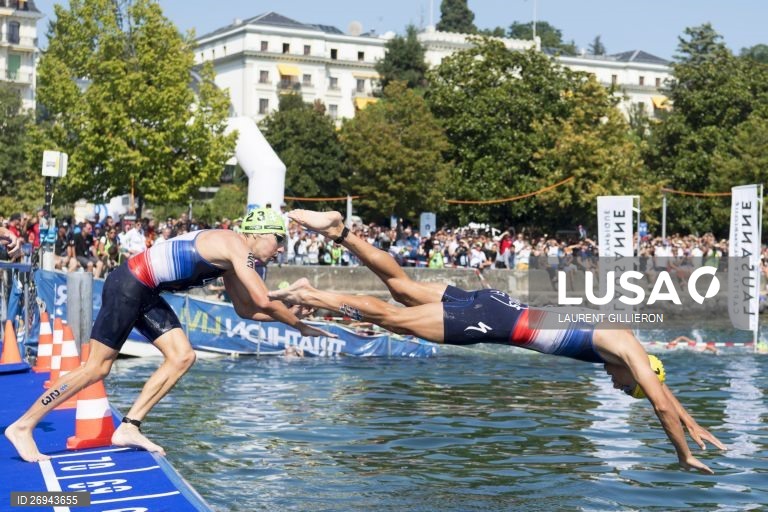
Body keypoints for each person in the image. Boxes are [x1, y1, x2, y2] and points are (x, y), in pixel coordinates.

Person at [270, 210, 726, 474]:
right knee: (396, 319)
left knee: (403, 288)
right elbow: (659, 404)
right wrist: (683, 453)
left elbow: (663, 395)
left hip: (500, 304)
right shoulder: (623, 348)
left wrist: (693, 423)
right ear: (639, 372)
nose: (616, 386)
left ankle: (339, 231)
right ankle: (309, 294)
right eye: (627, 387)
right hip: (494, 322)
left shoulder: (625, 345)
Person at [5, 207, 334, 463]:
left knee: (182, 356)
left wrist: (291, 316)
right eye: (279, 240)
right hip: (128, 285)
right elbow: (262, 299)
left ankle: (129, 427)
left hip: (144, 291)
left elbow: (246, 310)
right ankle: (23, 426)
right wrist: (297, 321)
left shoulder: (231, 258)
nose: (280, 250)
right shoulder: (235, 244)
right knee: (96, 368)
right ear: (259, 233)